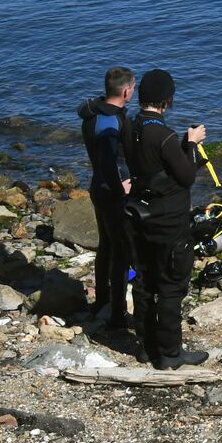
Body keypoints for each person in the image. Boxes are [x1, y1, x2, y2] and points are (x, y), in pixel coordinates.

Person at [122, 69, 210, 370]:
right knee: (172, 286)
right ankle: (171, 354)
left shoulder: (131, 127)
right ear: (167, 100)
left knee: (145, 282)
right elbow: (186, 177)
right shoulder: (165, 137)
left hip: (139, 215)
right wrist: (192, 144)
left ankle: (147, 347)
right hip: (169, 221)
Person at [75, 66, 136, 330]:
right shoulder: (110, 122)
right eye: (133, 88)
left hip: (97, 187)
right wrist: (121, 187)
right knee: (120, 251)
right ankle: (116, 313)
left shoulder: (94, 112)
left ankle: (102, 300)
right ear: (126, 91)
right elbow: (110, 158)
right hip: (110, 191)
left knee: (106, 247)